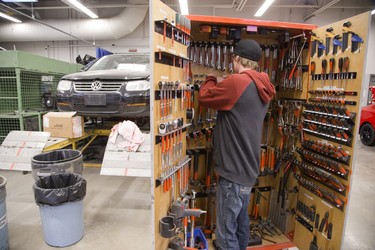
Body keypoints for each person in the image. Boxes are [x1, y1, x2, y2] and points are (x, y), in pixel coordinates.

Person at [198, 39, 276, 250]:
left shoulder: (237, 83)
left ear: (237, 59)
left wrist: (212, 77)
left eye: (232, 58)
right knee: (241, 226)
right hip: (247, 170)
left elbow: (204, 96)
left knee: (225, 235)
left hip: (232, 173)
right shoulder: (263, 84)